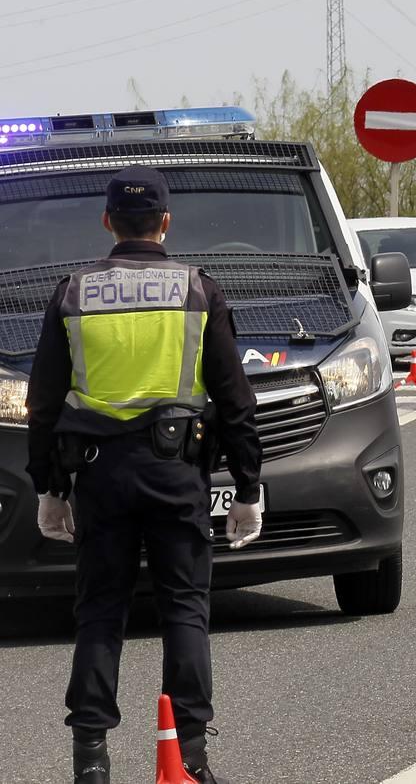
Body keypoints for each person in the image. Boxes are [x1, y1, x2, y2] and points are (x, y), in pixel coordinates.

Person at [27, 167, 262, 784]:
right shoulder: (197, 291)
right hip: (175, 469)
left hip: (99, 476)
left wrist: (48, 487)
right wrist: (247, 487)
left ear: (107, 222)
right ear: (165, 222)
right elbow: (235, 399)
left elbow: (44, 403)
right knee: (185, 607)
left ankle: (91, 760)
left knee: (100, 610)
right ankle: (188, 756)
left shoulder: (72, 293)